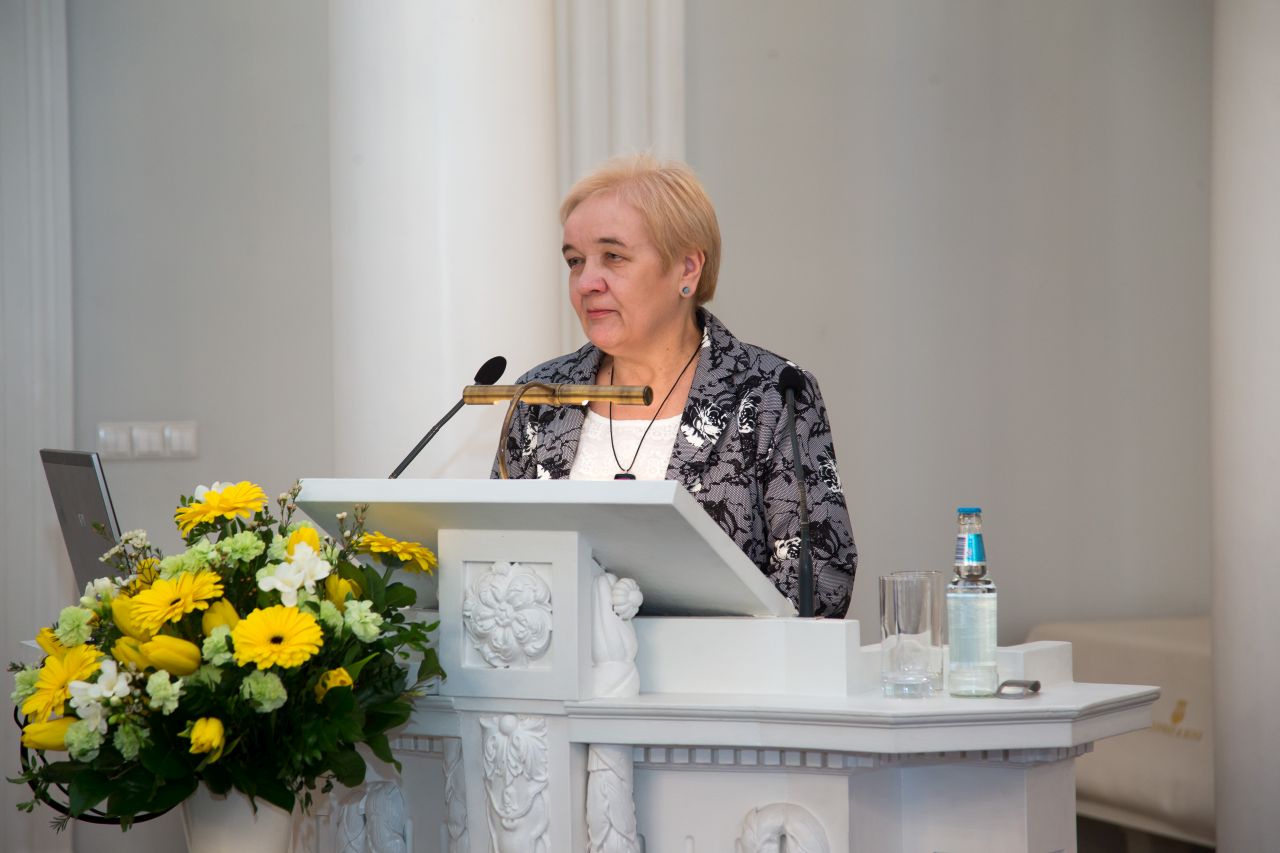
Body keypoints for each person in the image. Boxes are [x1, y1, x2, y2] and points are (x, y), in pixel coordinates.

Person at [493, 155, 856, 617]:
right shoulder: (540, 397)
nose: (586, 283)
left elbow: (821, 581)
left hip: (725, 664)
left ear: (687, 269)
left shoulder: (771, 392)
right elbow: (496, 560)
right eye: (575, 261)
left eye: (613, 257)